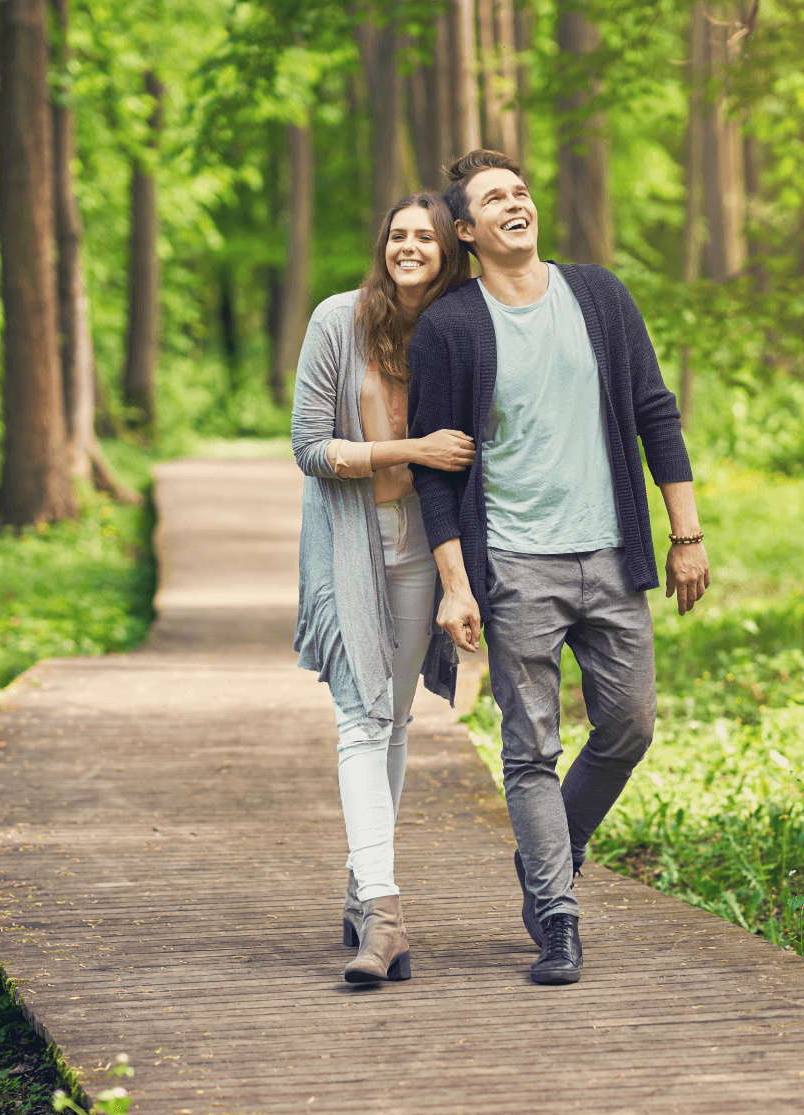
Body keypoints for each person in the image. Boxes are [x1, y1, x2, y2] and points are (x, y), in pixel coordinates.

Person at [408, 150, 711, 986]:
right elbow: (439, 471)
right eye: (493, 199)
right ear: (465, 231)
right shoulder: (452, 327)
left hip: (611, 553)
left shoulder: (601, 296)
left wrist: (685, 533)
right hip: (514, 565)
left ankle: (550, 855)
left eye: (522, 191)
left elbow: (655, 410)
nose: (516, 203)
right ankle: (557, 917)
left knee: (629, 726)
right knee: (530, 747)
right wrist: (457, 582)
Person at [291, 192, 476, 985]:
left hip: (423, 546)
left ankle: (363, 884)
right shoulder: (339, 321)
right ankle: (387, 912)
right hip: (349, 544)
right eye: (396, 234)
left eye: (423, 237)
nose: (408, 247)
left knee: (393, 719)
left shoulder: (459, 327)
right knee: (360, 721)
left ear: (445, 252)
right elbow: (308, 446)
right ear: (383, 245)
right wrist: (414, 448)